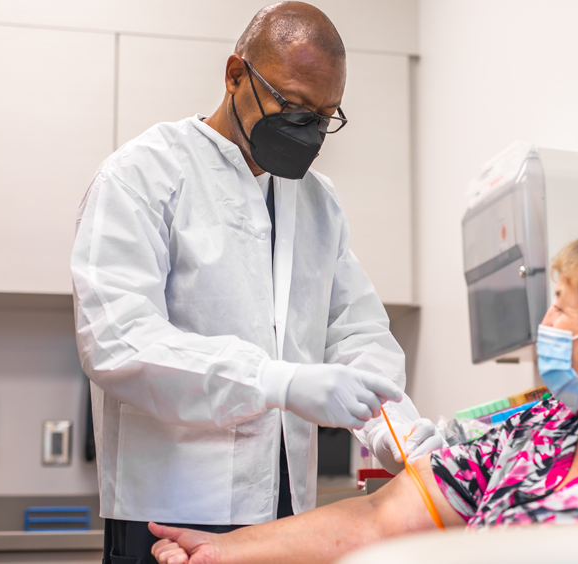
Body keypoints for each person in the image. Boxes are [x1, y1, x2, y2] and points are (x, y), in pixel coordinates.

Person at [149, 212, 578, 564]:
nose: (544, 327)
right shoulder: (540, 432)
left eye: (561, 308)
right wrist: (225, 551)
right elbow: (382, 520)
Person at [70, 2, 444, 562]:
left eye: (324, 115)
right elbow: (118, 339)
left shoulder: (317, 201)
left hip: (287, 511)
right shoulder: (142, 174)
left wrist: (395, 427)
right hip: (168, 509)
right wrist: (276, 381)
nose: (308, 130)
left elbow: (354, 331)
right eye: (292, 105)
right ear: (235, 74)